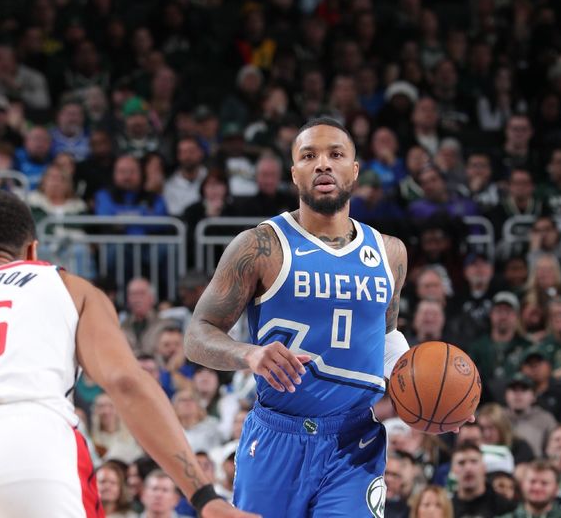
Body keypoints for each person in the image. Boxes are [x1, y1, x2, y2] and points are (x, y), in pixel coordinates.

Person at [185, 118, 475, 516]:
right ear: (294, 173)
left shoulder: (390, 253)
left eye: (336, 154)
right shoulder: (259, 246)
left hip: (353, 441)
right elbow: (197, 334)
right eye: (309, 156)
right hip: (276, 436)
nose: (323, 164)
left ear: (354, 170)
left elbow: (386, 334)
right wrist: (248, 354)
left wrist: (432, 399)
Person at [0, 189, 255, 518]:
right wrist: (205, 496)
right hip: (31, 447)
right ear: (34, 252)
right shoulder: (66, 286)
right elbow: (125, 381)